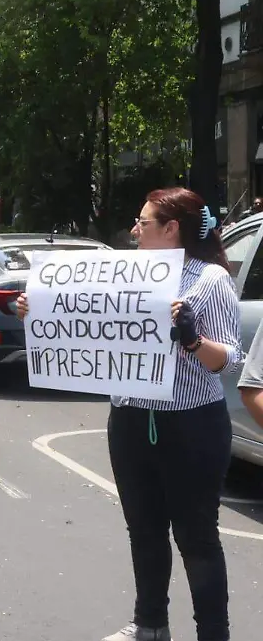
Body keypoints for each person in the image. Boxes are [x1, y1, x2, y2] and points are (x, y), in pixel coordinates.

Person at [16, 188, 241, 641]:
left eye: (144, 222)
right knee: (144, 529)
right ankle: (150, 624)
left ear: (171, 228)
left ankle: (212, 633)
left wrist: (194, 341)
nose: (134, 231)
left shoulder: (209, 279)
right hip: (131, 420)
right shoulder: (122, 275)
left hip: (191, 424)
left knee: (196, 538)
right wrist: (35, 308)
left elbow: (230, 361)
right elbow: (88, 323)